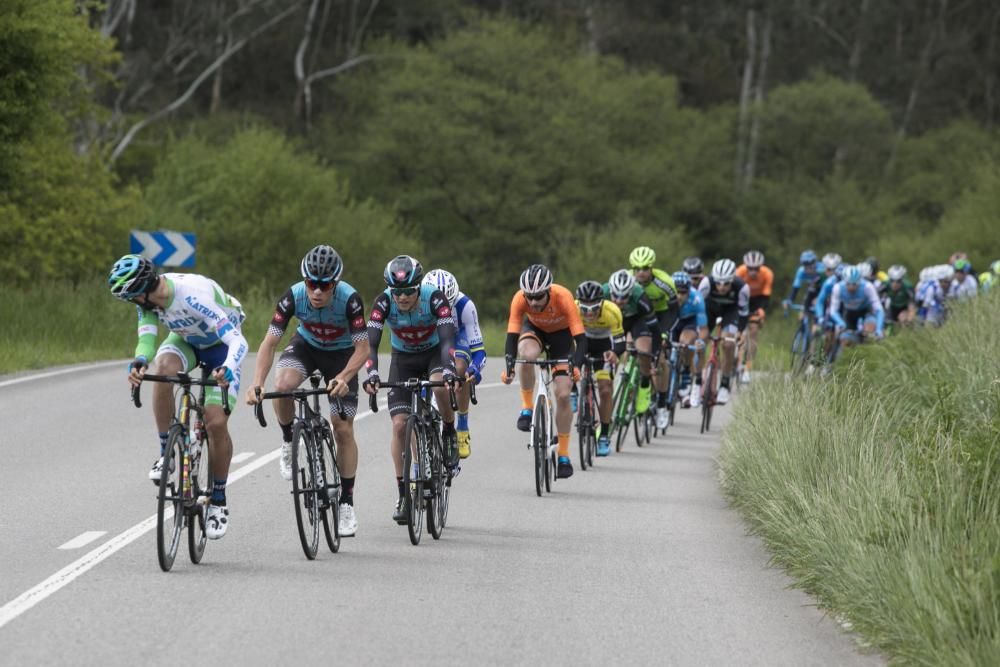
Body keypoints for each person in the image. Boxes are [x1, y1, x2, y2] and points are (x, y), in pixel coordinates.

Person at [109, 254, 247, 540]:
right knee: (162, 370)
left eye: (132, 297)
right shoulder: (148, 301)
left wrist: (229, 368)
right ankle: (166, 454)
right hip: (188, 341)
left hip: (222, 347)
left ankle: (218, 500)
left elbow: (238, 341)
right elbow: (146, 338)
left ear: (143, 290)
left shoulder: (193, 296)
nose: (132, 302)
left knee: (215, 422)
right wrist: (139, 361)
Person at [245, 245, 368, 538]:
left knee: (342, 429)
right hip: (307, 347)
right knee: (284, 385)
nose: (317, 291)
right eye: (311, 283)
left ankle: (346, 503)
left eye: (324, 286)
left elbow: (363, 348)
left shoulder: (350, 300)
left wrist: (344, 376)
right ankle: (288, 441)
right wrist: (257, 382)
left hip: (342, 355)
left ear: (335, 284)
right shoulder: (293, 297)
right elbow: (268, 343)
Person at [363, 255, 459, 524]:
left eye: (408, 292)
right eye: (398, 292)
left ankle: (449, 430)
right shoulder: (383, 302)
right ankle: (404, 493)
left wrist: (450, 369)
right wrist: (371, 373)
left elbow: (448, 338)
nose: (402, 298)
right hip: (402, 359)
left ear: (418, 287)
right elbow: (371, 343)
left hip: (432, 355)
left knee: (440, 387)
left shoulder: (435, 298)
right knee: (399, 425)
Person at [501, 264, 587, 479]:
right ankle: (527, 407)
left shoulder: (563, 297)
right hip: (535, 331)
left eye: (538, 297)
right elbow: (512, 336)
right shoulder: (519, 299)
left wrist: (575, 366)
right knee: (527, 355)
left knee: (564, 394)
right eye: (529, 297)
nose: (532, 302)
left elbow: (581, 340)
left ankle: (564, 455)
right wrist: (510, 366)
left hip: (562, 338)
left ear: (548, 291)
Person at [423, 269, 485, 459]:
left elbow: (479, 351)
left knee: (460, 369)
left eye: (447, 305)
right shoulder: (418, 303)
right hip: (431, 339)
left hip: (457, 339)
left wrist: (475, 369)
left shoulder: (465, 306)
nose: (443, 309)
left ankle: (462, 427)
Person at [604, 269, 662, 426]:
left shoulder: (640, 296)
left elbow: (655, 331)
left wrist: (654, 358)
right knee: (609, 355)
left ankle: (644, 384)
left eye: (624, 297)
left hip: (637, 321)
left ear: (631, 292)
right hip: (614, 322)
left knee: (644, 351)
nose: (618, 300)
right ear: (610, 290)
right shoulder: (603, 293)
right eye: (615, 295)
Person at [575, 281, 626, 456]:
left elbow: (620, 342)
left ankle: (604, 435)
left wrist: (614, 353)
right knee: (568, 364)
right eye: (584, 308)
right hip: (582, 341)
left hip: (604, 345)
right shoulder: (572, 309)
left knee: (605, 390)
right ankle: (576, 391)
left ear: (602, 303)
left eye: (594, 308)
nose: (589, 313)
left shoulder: (612, 311)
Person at [629, 246, 680, 419]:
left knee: (661, 360)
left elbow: (674, 311)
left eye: (644, 268)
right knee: (640, 350)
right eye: (637, 269)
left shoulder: (664, 282)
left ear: (651, 268)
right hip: (640, 316)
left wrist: (665, 332)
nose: (640, 273)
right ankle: (640, 386)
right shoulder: (628, 280)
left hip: (662, 316)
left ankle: (661, 403)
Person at [697, 259, 750, 405]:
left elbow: (744, 313)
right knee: (700, 341)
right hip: (709, 310)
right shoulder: (706, 283)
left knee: (728, 344)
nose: (721, 287)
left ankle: (725, 384)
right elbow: (697, 306)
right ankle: (698, 378)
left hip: (730, 313)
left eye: (726, 283)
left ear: (732, 279)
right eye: (718, 282)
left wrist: (739, 332)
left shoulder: (742, 287)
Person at [670, 271, 709, 408]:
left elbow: (703, 329)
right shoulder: (665, 296)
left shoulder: (697, 299)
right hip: (670, 321)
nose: (679, 296)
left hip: (688, 322)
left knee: (685, 342)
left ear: (689, 291)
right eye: (676, 292)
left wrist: (701, 342)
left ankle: (686, 370)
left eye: (683, 293)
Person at [734, 250, 773, 383]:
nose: (753, 271)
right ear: (746, 266)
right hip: (741, 298)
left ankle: (748, 368)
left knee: (753, 331)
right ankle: (736, 359)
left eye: (756, 268)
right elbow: (734, 292)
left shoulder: (767, 274)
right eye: (750, 268)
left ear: (760, 267)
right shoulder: (739, 272)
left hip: (757, 301)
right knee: (737, 330)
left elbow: (766, 296)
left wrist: (762, 310)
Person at [829, 265, 884, 357]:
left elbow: (879, 309)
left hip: (866, 312)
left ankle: (870, 354)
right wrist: (840, 323)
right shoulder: (838, 288)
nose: (851, 287)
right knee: (845, 341)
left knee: (870, 329)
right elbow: (833, 311)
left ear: (859, 282)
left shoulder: (867, 286)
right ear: (844, 281)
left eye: (854, 284)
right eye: (848, 284)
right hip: (849, 315)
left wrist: (879, 329)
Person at [883, 264, 916, 329]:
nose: (894, 284)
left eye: (898, 281)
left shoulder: (908, 287)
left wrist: (909, 318)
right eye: (892, 280)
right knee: (888, 323)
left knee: (903, 319)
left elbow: (912, 305)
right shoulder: (885, 285)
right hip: (892, 307)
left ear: (902, 280)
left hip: (904, 307)